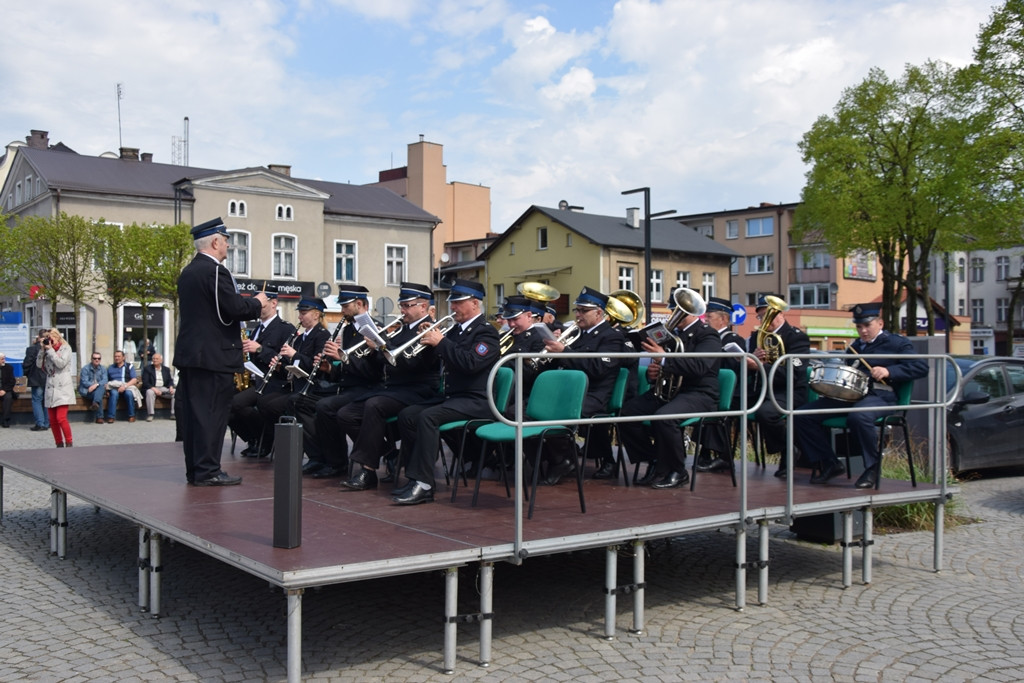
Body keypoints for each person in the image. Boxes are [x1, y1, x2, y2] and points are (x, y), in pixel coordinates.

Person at [794, 303, 928, 489]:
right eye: (859, 327)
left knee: (859, 415)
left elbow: (921, 367)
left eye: (867, 325)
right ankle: (829, 462)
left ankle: (872, 468)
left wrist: (889, 371)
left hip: (882, 395)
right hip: (851, 395)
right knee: (802, 415)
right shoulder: (855, 347)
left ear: (880, 324)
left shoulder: (897, 343)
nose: (863, 331)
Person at [174, 217, 266, 486]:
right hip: (214, 357)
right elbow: (233, 310)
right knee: (212, 416)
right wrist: (257, 303)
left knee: (195, 417)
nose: (227, 244)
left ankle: (196, 469)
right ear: (215, 241)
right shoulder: (215, 272)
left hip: (193, 356)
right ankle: (209, 471)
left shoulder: (189, 271)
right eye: (225, 240)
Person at [392, 279, 500, 505]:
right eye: (453, 302)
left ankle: (425, 484)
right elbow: (441, 356)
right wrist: (427, 337)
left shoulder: (486, 333)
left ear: (474, 303)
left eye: (458, 303)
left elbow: (471, 363)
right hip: (455, 397)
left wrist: (440, 342)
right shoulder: (455, 331)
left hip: (476, 399)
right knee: (408, 415)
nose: (453, 307)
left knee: (428, 417)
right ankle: (415, 476)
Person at [338, 282, 439, 492]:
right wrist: (377, 348)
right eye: (402, 305)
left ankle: (368, 471)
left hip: (418, 390)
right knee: (346, 413)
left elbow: (411, 363)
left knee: (374, 405)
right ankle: (388, 453)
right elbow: (385, 360)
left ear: (423, 306)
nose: (402, 310)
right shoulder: (402, 329)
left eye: (408, 305)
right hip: (393, 389)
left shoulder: (429, 330)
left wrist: (382, 347)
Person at [618, 289, 721, 488]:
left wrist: (664, 358)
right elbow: (663, 367)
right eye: (673, 309)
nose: (674, 314)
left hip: (699, 393)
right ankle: (655, 461)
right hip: (671, 391)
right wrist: (653, 373)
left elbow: (699, 367)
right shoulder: (673, 336)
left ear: (692, 312)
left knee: (665, 418)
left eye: (678, 310)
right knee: (627, 415)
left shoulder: (708, 335)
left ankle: (678, 470)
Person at [540, 286, 625, 484]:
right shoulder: (579, 333)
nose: (578, 315)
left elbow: (597, 368)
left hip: (594, 394)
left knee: (555, 414)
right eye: (577, 310)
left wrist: (565, 352)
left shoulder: (612, 336)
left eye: (583, 311)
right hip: (570, 391)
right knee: (531, 409)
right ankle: (561, 458)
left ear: (599, 312)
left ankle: (564, 459)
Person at [304, 284, 384, 479]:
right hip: (348, 388)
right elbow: (345, 371)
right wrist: (330, 368)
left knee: (327, 407)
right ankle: (330, 459)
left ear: (359, 304)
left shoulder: (375, 329)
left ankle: (344, 460)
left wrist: (344, 359)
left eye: (345, 306)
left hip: (368, 388)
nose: (342, 311)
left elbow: (375, 372)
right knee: (312, 405)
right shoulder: (348, 331)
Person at [252, 297, 330, 457]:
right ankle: (282, 443)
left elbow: (314, 366)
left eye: (303, 313)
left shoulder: (322, 335)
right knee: (266, 403)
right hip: (297, 386)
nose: (300, 317)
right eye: (300, 313)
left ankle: (307, 450)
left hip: (314, 388)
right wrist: (281, 364)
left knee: (290, 403)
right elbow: (293, 365)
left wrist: (294, 354)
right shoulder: (300, 338)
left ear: (316, 315)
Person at [744, 295, 810, 478]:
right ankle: (720, 458)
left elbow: (793, 374)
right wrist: (752, 359)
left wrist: (762, 366)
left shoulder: (797, 338)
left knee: (766, 412)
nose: (764, 321)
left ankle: (788, 450)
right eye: (760, 317)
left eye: (768, 315)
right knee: (726, 407)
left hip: (789, 391)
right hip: (763, 389)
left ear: (780, 314)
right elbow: (750, 369)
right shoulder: (757, 336)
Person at [227, 288, 296, 457]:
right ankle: (254, 439)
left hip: (272, 383)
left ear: (273, 303)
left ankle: (265, 441)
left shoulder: (285, 329)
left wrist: (260, 349)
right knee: (226, 406)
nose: (259, 306)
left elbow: (285, 361)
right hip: (254, 381)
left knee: (237, 404)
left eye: (263, 303)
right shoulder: (257, 328)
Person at [37, 328, 74, 447]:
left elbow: (61, 363)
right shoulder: (47, 350)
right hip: (50, 386)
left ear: (57, 337)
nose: (49, 341)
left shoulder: (66, 348)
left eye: (51, 338)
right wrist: (43, 350)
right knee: (52, 420)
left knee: (61, 418)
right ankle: (58, 443)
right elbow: (38, 365)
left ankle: (69, 442)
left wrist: (51, 350)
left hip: (62, 386)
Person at [104, 350, 140, 423]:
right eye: (115, 356)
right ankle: (111, 417)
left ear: (123, 357)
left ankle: (131, 415)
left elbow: (134, 379)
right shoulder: (110, 367)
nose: (117, 358)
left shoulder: (129, 366)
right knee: (114, 394)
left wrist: (125, 386)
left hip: (126, 386)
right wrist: (107, 390)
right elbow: (106, 381)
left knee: (129, 394)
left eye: (119, 356)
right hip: (114, 387)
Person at [24, 332, 50, 431]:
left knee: (37, 400)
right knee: (46, 401)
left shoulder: (32, 349)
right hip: (48, 377)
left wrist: (27, 374)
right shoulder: (51, 348)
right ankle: (47, 423)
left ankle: (40, 423)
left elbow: (27, 363)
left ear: (38, 337)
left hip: (36, 377)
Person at [142, 353, 175, 421]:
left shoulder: (166, 369)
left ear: (161, 361)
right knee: (149, 392)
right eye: (153, 359)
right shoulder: (147, 369)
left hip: (163, 388)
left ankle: (173, 413)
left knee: (176, 392)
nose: (154, 360)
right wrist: (154, 389)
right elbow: (145, 382)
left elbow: (170, 380)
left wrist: (171, 387)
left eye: (157, 359)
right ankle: (150, 414)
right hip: (152, 387)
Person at [78, 351, 107, 424]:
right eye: (95, 358)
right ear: (91, 359)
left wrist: (95, 385)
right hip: (87, 390)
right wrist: (92, 385)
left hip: (96, 389)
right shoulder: (85, 369)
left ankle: (95, 403)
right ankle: (99, 417)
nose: (97, 360)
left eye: (99, 358)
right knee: (99, 392)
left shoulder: (103, 369)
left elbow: (105, 380)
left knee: (99, 390)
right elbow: (84, 381)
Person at [0, 352, 15, 428]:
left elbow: (12, 381)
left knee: (8, 398)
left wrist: (4, 390)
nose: (4, 361)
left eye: (4, 359)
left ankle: (5, 420)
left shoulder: (9, 368)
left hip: (5, 390)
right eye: (2, 359)